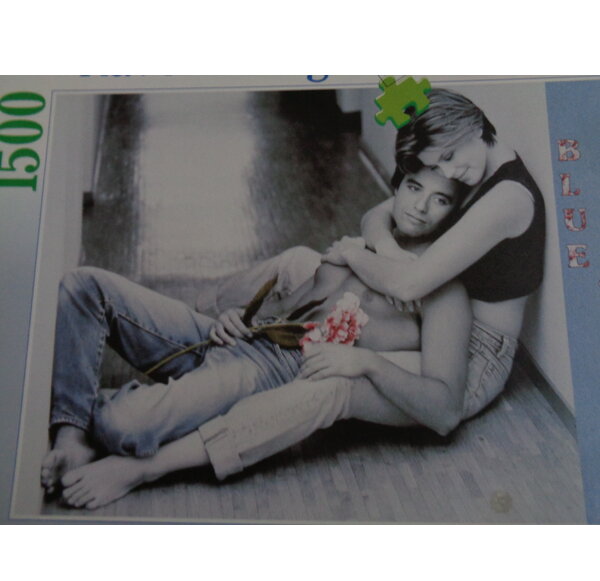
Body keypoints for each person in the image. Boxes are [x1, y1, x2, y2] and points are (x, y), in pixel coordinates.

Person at [42, 166, 472, 509]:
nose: (420, 207)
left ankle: (139, 411)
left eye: (441, 200)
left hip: (270, 371)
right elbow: (290, 303)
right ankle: (71, 436)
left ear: (455, 214)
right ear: (396, 188)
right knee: (85, 286)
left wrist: (368, 363)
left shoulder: (443, 292)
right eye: (414, 188)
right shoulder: (362, 246)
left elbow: (445, 411)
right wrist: (237, 315)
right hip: (239, 335)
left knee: (119, 425)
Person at [201, 87, 545, 420]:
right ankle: (205, 319)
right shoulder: (465, 162)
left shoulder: (507, 198)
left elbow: (408, 286)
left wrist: (353, 254)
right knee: (294, 262)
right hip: (426, 312)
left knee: (325, 372)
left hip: (472, 354)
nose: (449, 172)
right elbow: (376, 216)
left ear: (471, 127)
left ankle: (216, 398)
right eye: (438, 164)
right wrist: (388, 250)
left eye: (448, 159)